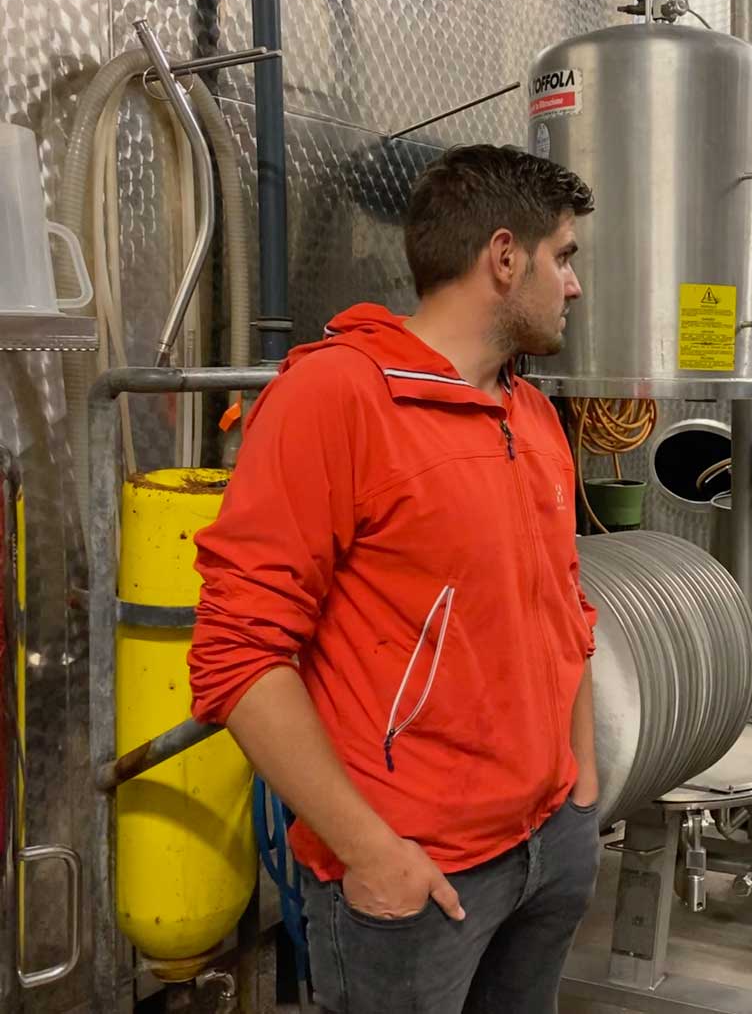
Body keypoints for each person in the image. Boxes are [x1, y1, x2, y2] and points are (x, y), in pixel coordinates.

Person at [189, 144, 603, 1014]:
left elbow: (568, 607)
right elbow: (238, 657)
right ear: (504, 257)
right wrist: (372, 851)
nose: (573, 284)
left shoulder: (531, 414)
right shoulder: (337, 397)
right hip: (419, 882)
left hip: (548, 849)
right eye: (563, 256)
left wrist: (582, 786)